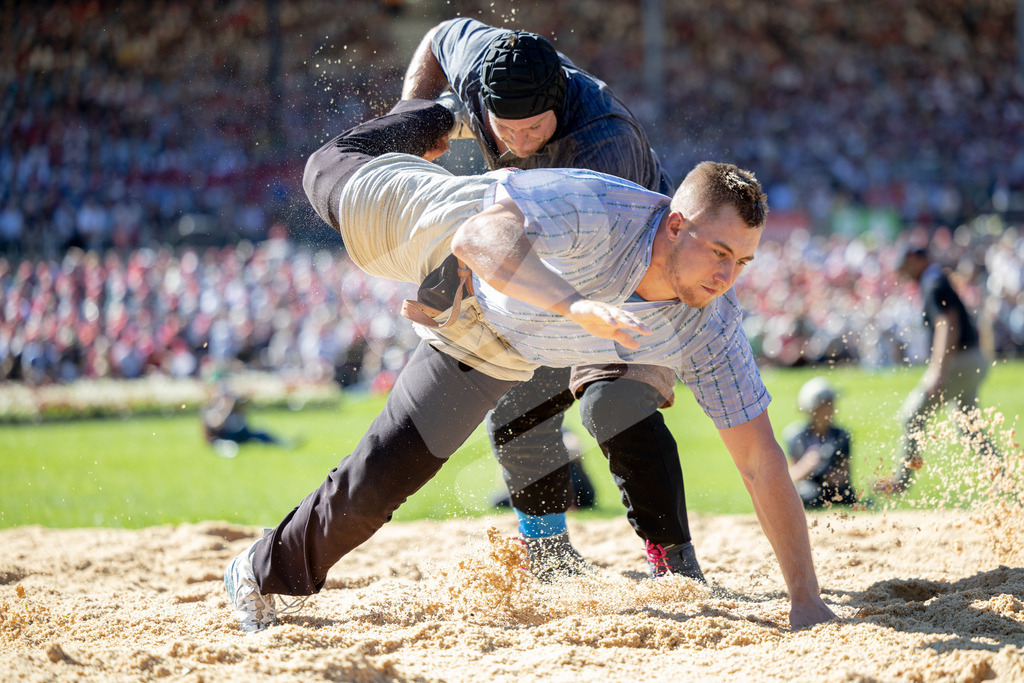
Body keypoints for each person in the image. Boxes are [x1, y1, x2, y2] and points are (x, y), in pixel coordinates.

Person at [223, 98, 836, 634]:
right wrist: (577, 307)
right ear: (675, 226)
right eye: (720, 253)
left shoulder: (713, 321)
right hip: (427, 235)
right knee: (331, 172)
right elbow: (475, 242)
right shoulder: (597, 210)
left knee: (383, 481)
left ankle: (258, 569)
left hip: (503, 339)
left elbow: (759, 460)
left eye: (743, 263)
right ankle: (438, 115)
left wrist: (805, 599)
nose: (727, 276)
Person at [402, 18, 696, 581]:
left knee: (612, 404)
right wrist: (413, 122)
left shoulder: (604, 145)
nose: (515, 142)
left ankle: (675, 561)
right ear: (481, 96)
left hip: (633, 272)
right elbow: (440, 35)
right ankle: (549, 554)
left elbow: (570, 268)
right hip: (546, 256)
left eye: (532, 129)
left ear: (558, 103)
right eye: (502, 129)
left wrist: (472, 283)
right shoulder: (483, 62)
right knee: (516, 409)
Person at [875, 247, 999, 493]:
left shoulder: (931, 282)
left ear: (913, 259)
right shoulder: (937, 278)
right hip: (971, 358)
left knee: (913, 414)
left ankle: (904, 479)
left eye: (904, 267)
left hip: (959, 361)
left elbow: (947, 324)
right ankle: (1000, 476)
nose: (904, 274)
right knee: (967, 426)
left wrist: (938, 371)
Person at [784, 377, 858, 508]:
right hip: (809, 483)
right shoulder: (795, 436)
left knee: (846, 494)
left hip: (833, 486)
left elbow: (846, 474)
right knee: (808, 494)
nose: (832, 408)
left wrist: (831, 477)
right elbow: (792, 477)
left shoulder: (841, 435)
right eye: (826, 404)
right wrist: (809, 463)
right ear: (812, 409)